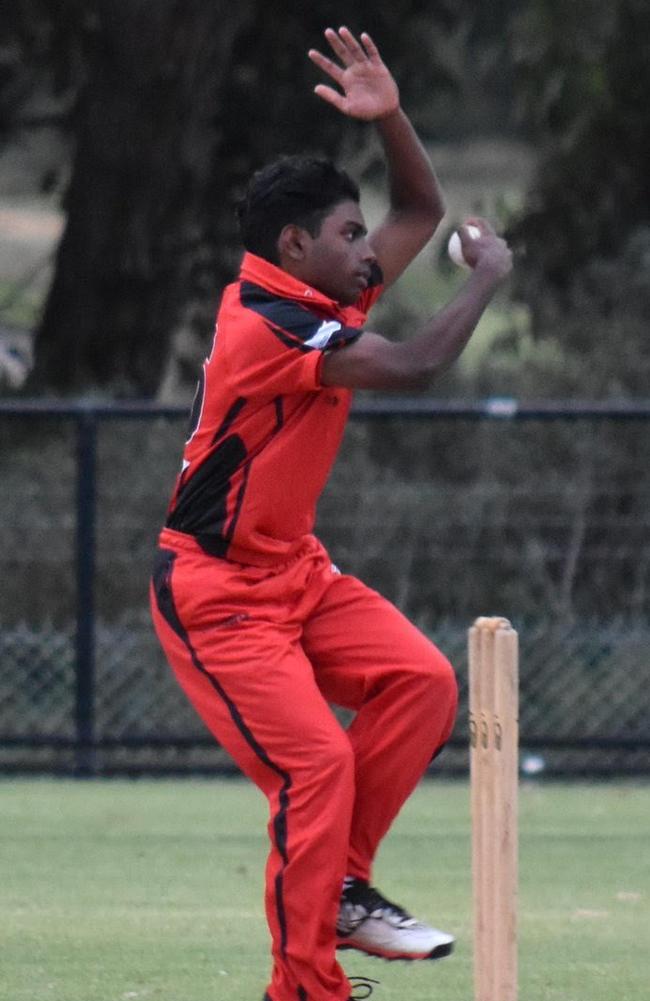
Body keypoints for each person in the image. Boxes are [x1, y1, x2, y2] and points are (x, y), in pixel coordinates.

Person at [150, 26, 512, 1001]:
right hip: (215, 592)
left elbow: (420, 206)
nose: (369, 250)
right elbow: (417, 365)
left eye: (363, 234)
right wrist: (484, 276)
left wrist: (388, 112)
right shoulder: (267, 325)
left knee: (422, 682)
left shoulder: (320, 290)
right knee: (312, 765)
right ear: (292, 246)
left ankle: (342, 885)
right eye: (349, 236)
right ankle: (303, 986)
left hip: (293, 572)